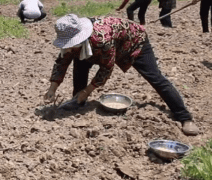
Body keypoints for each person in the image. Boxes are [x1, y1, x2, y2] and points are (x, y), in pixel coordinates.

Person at [43, 14, 198, 136]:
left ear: (81, 37)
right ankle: (77, 103)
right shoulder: (72, 42)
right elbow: (61, 62)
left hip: (134, 42)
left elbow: (106, 69)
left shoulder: (101, 39)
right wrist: (52, 89)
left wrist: (87, 91)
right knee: (80, 65)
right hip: (97, 46)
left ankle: (184, 116)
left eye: (70, 44)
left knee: (154, 77)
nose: (67, 48)